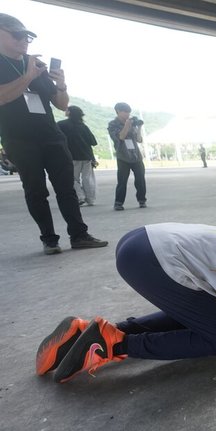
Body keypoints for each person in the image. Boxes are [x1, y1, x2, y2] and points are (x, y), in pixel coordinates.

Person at [35, 223, 216, 383]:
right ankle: (113, 345)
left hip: (140, 241)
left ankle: (86, 333)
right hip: (154, 258)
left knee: (210, 318)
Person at [0, 13, 107, 254]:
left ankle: (79, 235)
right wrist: (27, 76)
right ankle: (49, 239)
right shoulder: (21, 67)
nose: (24, 40)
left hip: (52, 136)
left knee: (66, 188)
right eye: (17, 35)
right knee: (35, 190)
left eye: (27, 36)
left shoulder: (36, 64)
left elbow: (61, 104)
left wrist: (61, 84)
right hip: (19, 140)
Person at [108, 102, 147, 210]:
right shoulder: (113, 124)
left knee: (140, 179)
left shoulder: (132, 123)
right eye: (125, 112)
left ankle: (142, 200)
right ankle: (119, 203)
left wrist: (138, 127)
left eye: (128, 112)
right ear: (118, 112)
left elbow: (139, 139)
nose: (127, 114)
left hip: (136, 156)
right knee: (122, 181)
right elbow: (120, 137)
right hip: (123, 156)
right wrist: (126, 126)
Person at [57, 105, 97, 206]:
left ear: (69, 113)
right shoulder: (83, 126)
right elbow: (93, 142)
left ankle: (80, 197)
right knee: (88, 178)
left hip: (71, 156)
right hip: (86, 156)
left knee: (73, 179)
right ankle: (91, 199)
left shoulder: (61, 124)